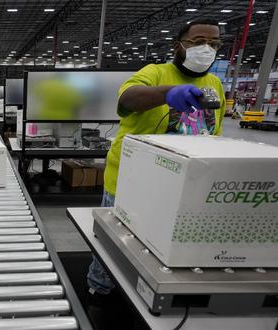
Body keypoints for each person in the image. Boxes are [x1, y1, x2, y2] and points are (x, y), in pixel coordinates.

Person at [86, 18, 226, 325]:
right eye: (197, 42)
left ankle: (150, 300)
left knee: (161, 250)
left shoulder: (214, 85)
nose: (206, 49)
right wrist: (167, 94)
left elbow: (214, 133)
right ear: (178, 45)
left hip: (182, 186)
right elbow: (127, 99)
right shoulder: (155, 72)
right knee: (114, 247)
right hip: (129, 181)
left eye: (214, 44)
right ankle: (99, 299)